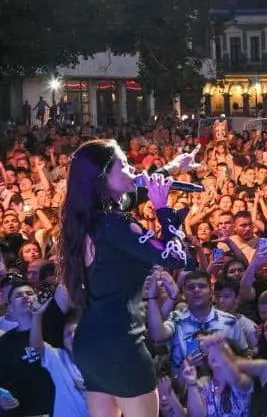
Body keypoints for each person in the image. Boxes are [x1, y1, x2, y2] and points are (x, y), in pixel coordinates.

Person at [58, 139, 199, 417]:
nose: (133, 169)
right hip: (121, 346)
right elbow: (175, 257)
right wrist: (162, 208)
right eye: (123, 165)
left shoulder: (88, 218)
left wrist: (171, 168)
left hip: (90, 343)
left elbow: (132, 194)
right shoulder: (116, 225)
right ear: (102, 177)